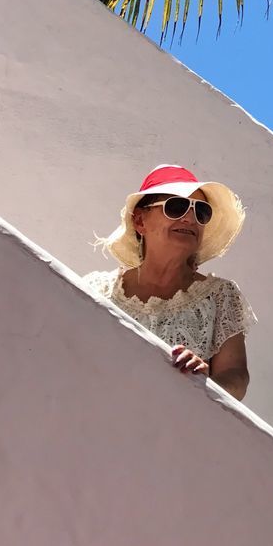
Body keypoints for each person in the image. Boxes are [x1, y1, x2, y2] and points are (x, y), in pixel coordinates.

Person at [84, 165, 256, 401]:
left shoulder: (220, 296)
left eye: (201, 212)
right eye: (177, 206)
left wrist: (206, 386)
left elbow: (236, 377)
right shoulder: (95, 290)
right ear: (140, 221)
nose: (190, 218)